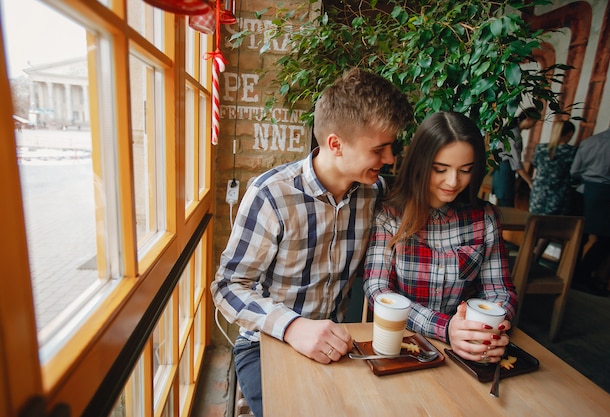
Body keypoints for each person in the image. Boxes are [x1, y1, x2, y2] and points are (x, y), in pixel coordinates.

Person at [211, 68, 413, 416]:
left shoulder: (375, 193)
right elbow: (227, 286)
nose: (391, 159)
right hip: (265, 344)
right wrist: (292, 327)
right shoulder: (271, 194)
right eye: (379, 149)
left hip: (340, 345)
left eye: (391, 147)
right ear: (335, 144)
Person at [363, 111, 518, 364]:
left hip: (468, 351)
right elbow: (377, 290)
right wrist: (446, 328)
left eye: (465, 170)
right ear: (420, 164)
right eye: (440, 169)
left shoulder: (484, 218)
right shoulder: (390, 215)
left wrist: (490, 329)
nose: (453, 181)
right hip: (404, 345)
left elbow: (500, 290)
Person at [570, 109, 610, 296]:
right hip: (608, 193)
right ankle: (581, 276)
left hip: (582, 191)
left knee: (580, 236)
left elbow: (574, 171)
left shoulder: (590, 141)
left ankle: (569, 273)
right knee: (609, 239)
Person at [492, 107, 540, 207]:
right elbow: (516, 163)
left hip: (501, 172)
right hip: (505, 173)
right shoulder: (514, 134)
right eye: (534, 122)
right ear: (528, 119)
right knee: (506, 210)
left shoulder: (511, 131)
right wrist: (530, 182)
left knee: (502, 209)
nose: (534, 125)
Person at [528, 120, 577, 214]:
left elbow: (536, 164)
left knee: (535, 223)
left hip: (538, 194)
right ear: (570, 134)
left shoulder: (540, 148)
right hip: (559, 196)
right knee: (555, 226)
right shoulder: (572, 152)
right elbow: (574, 172)